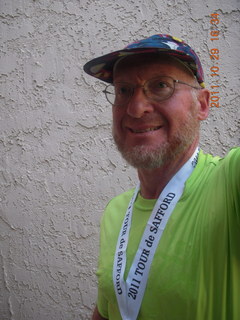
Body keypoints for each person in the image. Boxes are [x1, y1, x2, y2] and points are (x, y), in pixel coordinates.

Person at [83, 34, 240, 320]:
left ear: (202, 105)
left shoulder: (229, 186)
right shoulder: (115, 212)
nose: (136, 108)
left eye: (160, 86)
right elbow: (109, 309)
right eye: (124, 90)